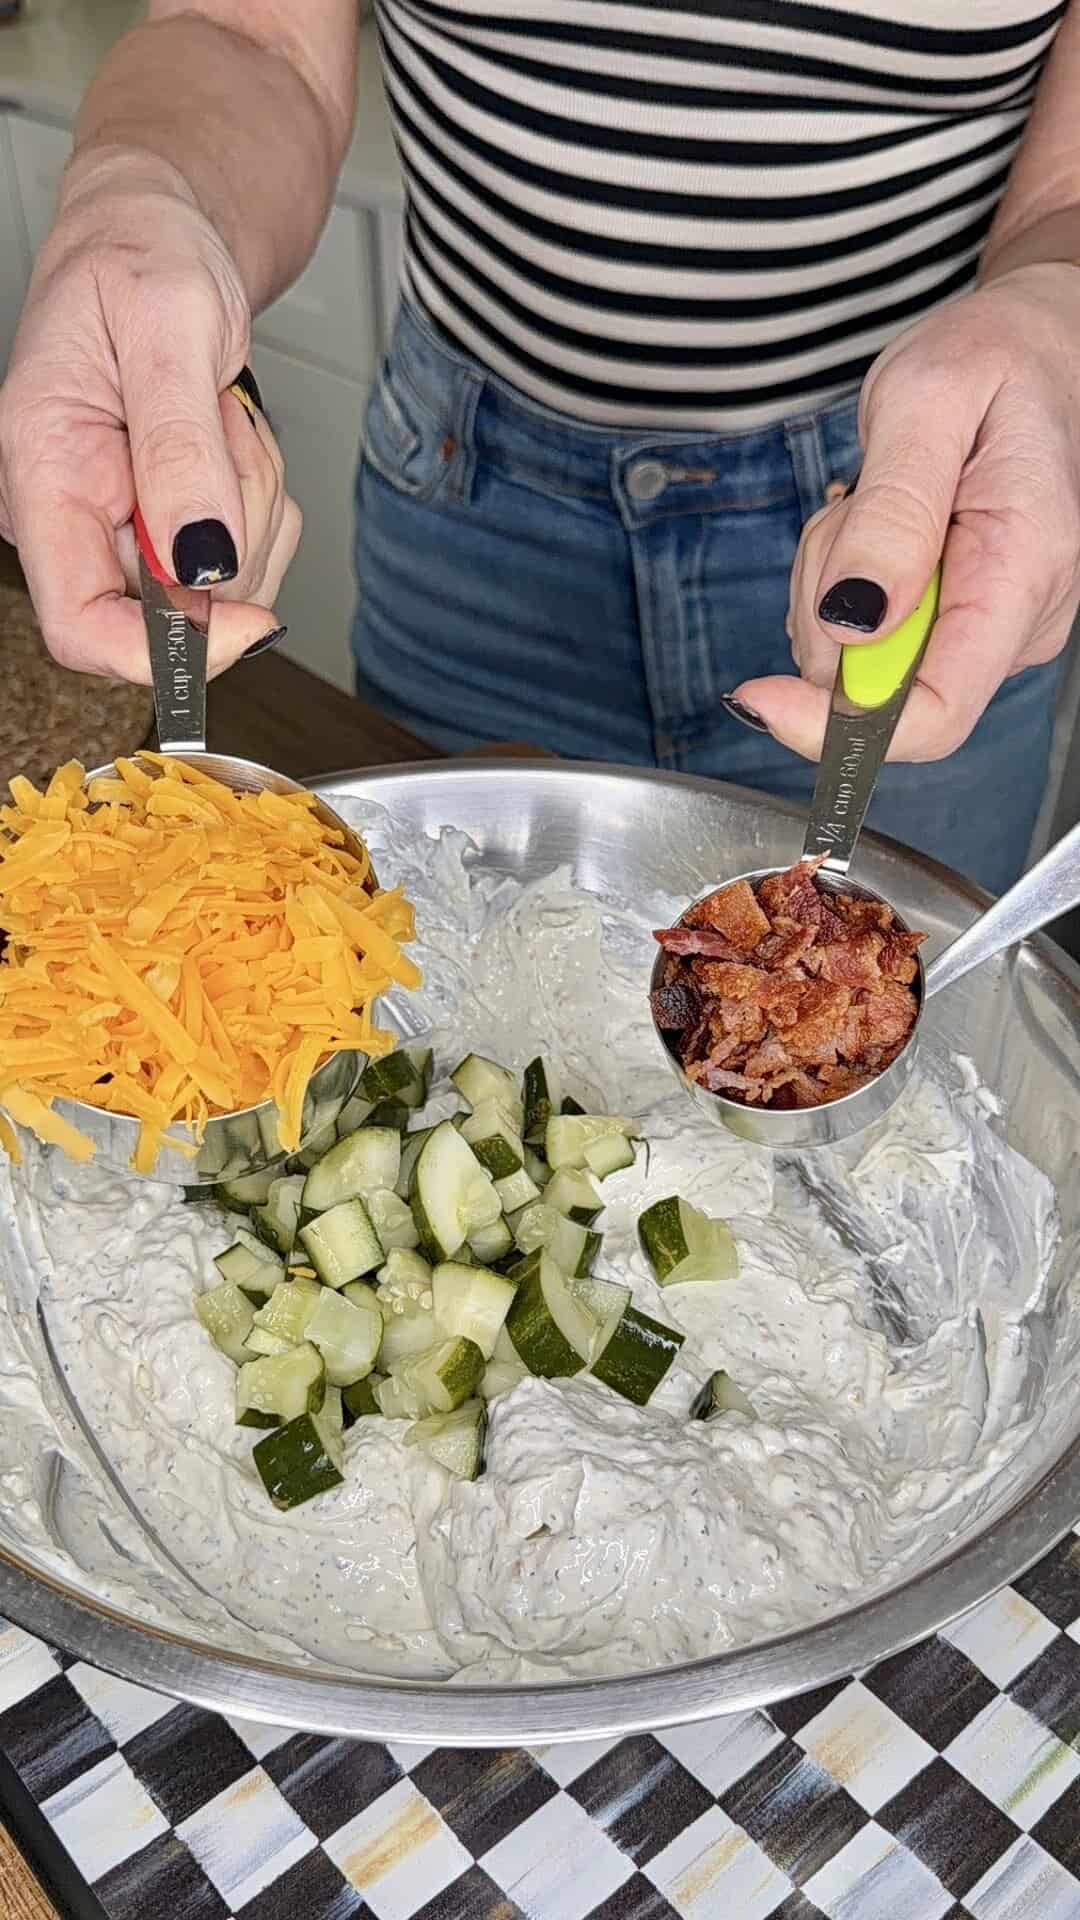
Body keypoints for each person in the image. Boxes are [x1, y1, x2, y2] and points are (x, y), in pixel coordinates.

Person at [1, 2, 1078, 896]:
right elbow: (252, 35)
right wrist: (139, 195)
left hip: (929, 535)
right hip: (474, 513)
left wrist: (1052, 310)